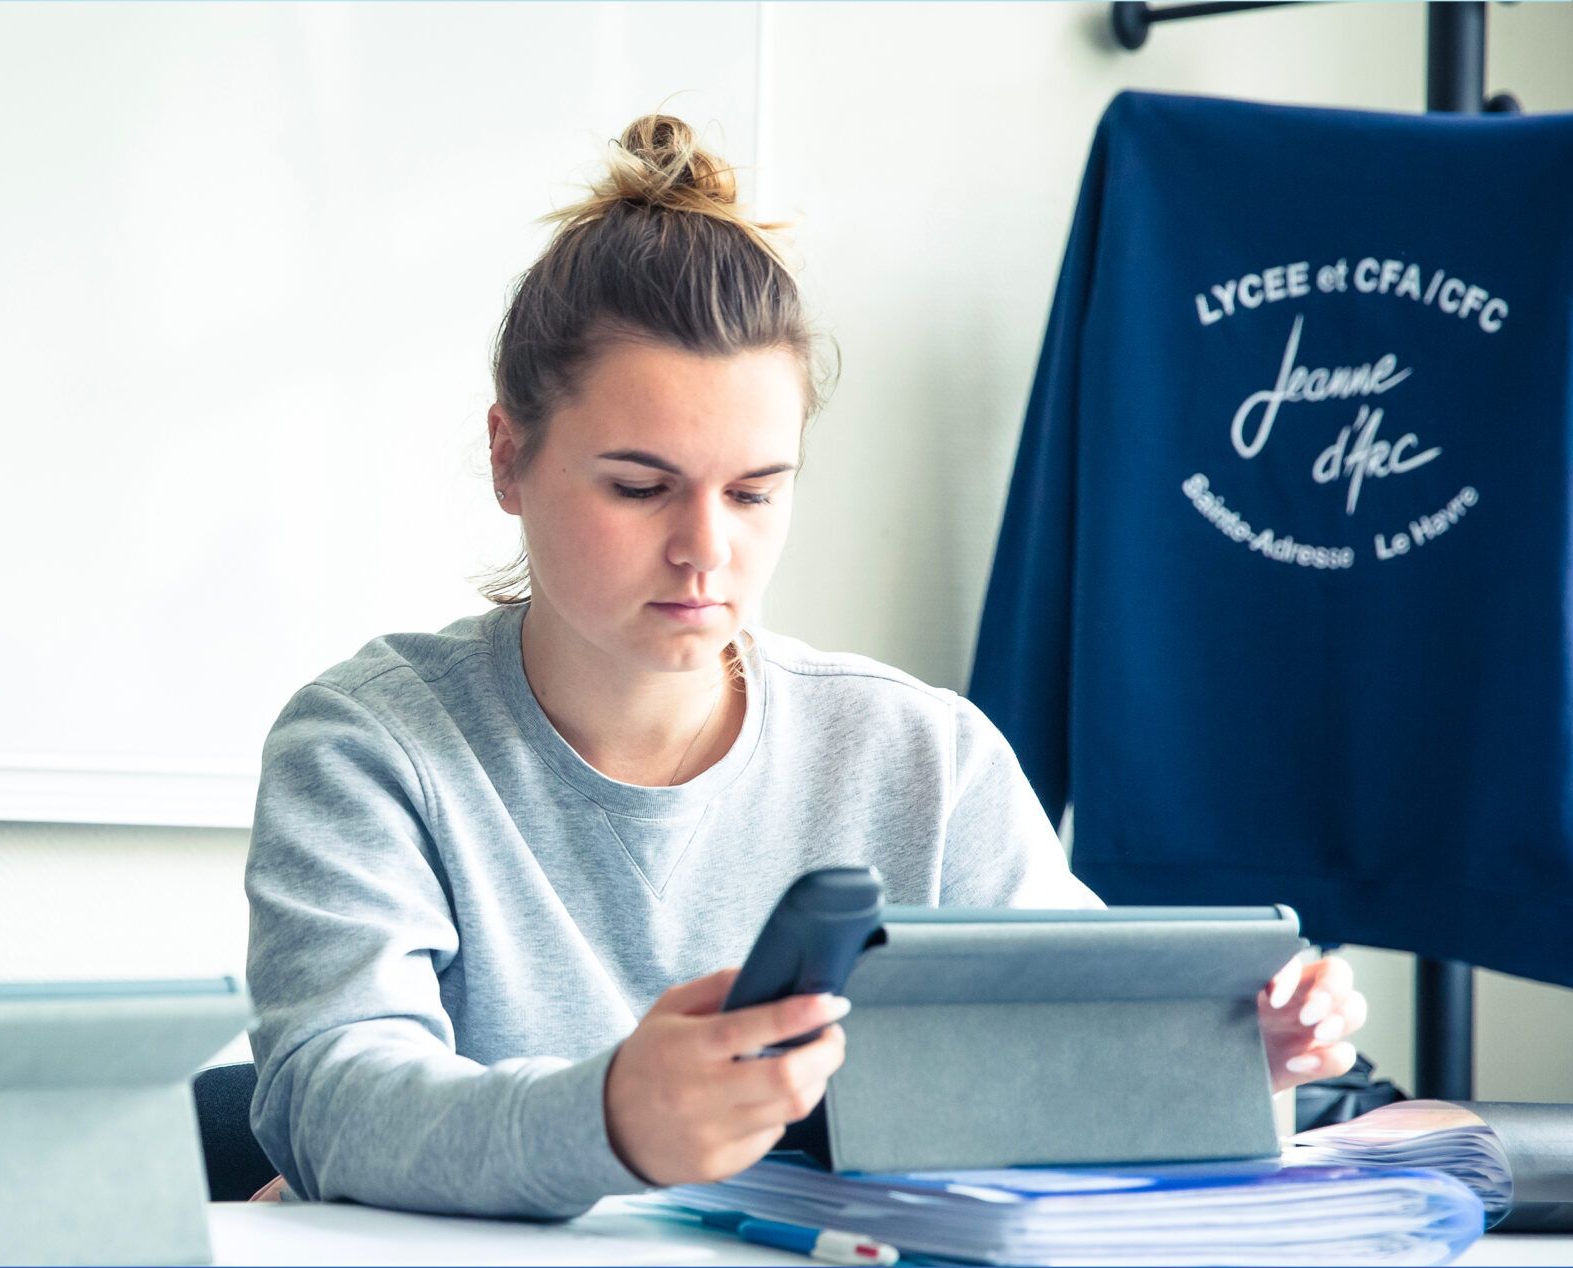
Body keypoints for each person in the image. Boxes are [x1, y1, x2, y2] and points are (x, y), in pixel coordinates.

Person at [242, 115, 1364, 1219]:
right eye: (639, 486)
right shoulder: (368, 744)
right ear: (508, 457)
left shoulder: (926, 757)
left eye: (753, 490)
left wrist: (1213, 1051)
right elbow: (329, 1096)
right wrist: (615, 1117)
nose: (704, 549)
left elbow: (1067, 1060)